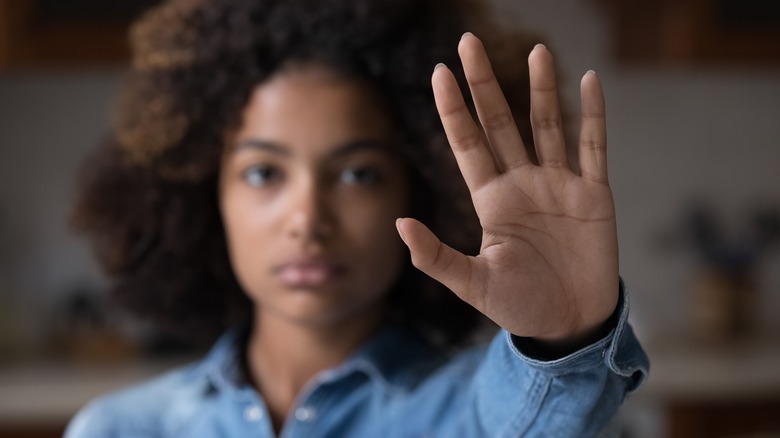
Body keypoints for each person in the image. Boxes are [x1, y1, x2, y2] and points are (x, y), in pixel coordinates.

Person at [65, 0, 648, 436]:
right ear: (203, 195)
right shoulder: (120, 429)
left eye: (358, 174)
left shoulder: (473, 411)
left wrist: (561, 340)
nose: (307, 219)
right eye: (264, 173)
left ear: (418, 190)